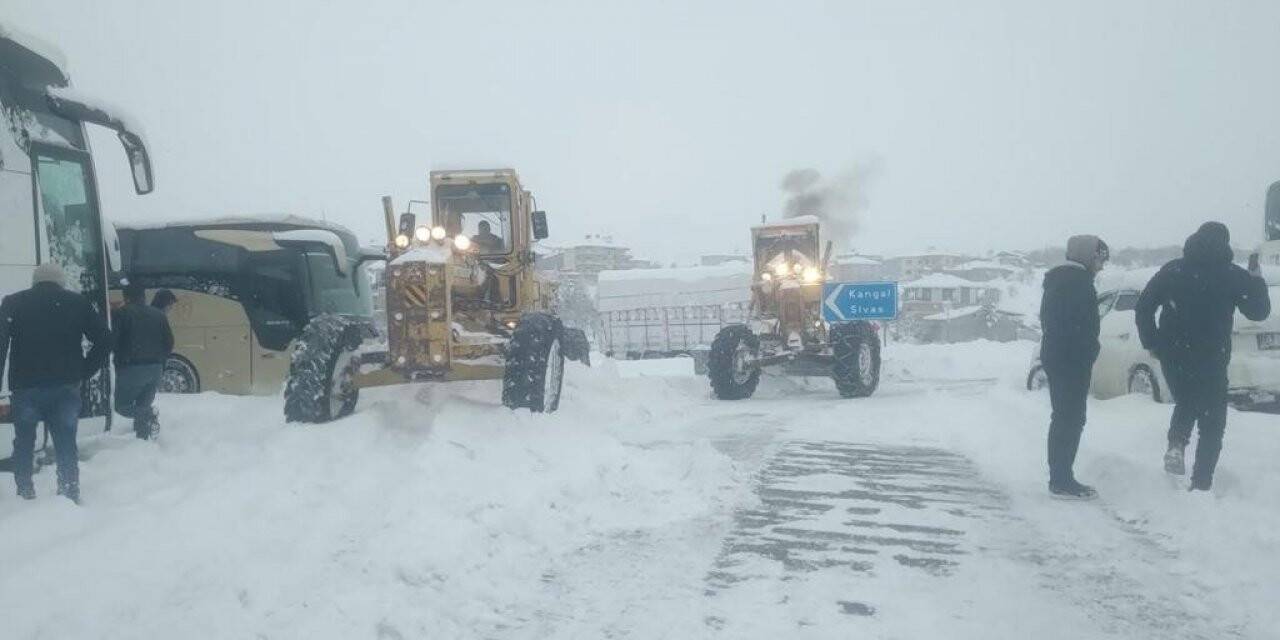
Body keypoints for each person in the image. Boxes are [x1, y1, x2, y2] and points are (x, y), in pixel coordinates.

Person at [1135, 222, 1270, 491]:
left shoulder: (1173, 270)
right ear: (1225, 244)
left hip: (1173, 352)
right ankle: (1201, 482)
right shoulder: (1231, 274)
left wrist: (1152, 343)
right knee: (1213, 419)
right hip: (1212, 354)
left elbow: (1143, 307)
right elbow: (1258, 312)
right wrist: (1256, 278)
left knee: (1187, 400)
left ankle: (1177, 442)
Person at [0, 263, 111, 503]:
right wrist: (83, 370)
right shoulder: (77, 303)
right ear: (60, 282)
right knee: (65, 439)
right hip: (65, 386)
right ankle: (69, 490)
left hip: (26, 386)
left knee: (24, 441)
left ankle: (25, 491)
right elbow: (104, 340)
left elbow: (0, 346)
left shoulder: (14, 302)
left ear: (34, 282)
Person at [1039, 235, 1109, 499]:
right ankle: (1061, 479)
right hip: (1070, 360)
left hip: (1060, 357)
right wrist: (1088, 351)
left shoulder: (1060, 280)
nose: (1101, 266)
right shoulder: (1076, 284)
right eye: (1099, 259)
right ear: (1088, 256)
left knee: (1065, 417)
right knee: (1070, 418)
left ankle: (1060, 476)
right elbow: (1078, 326)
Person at [113, 282, 174, 440]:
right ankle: (144, 441)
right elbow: (169, 343)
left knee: (122, 407)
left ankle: (149, 414)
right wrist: (159, 360)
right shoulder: (159, 315)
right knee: (143, 404)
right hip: (155, 369)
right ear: (144, 296)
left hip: (132, 368)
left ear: (126, 297)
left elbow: (114, 341)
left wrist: (118, 359)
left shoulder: (121, 314)